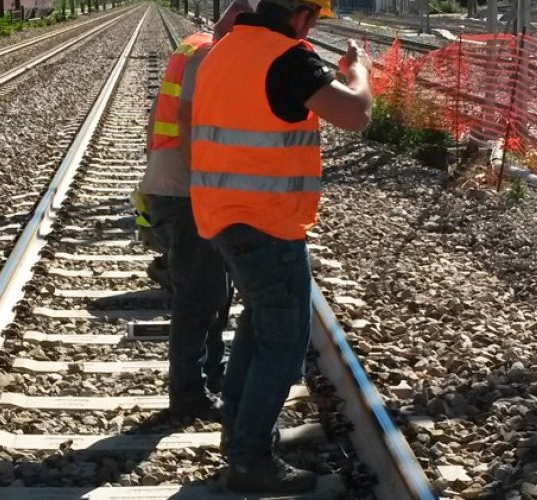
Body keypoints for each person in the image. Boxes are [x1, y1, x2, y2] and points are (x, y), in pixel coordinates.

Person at [188, 0, 373, 493]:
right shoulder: (286, 57)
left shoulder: (223, 50)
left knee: (257, 327)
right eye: (313, 18)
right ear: (302, 15)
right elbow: (356, 114)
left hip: (224, 218)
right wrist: (359, 72)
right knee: (284, 344)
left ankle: (239, 438)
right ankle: (250, 461)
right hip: (266, 224)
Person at [138, 0, 255, 418]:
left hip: (180, 184)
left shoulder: (196, 44)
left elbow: (158, 121)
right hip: (186, 190)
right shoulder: (210, 54)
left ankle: (211, 375)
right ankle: (188, 393)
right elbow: (192, 127)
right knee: (200, 296)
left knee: (215, 292)